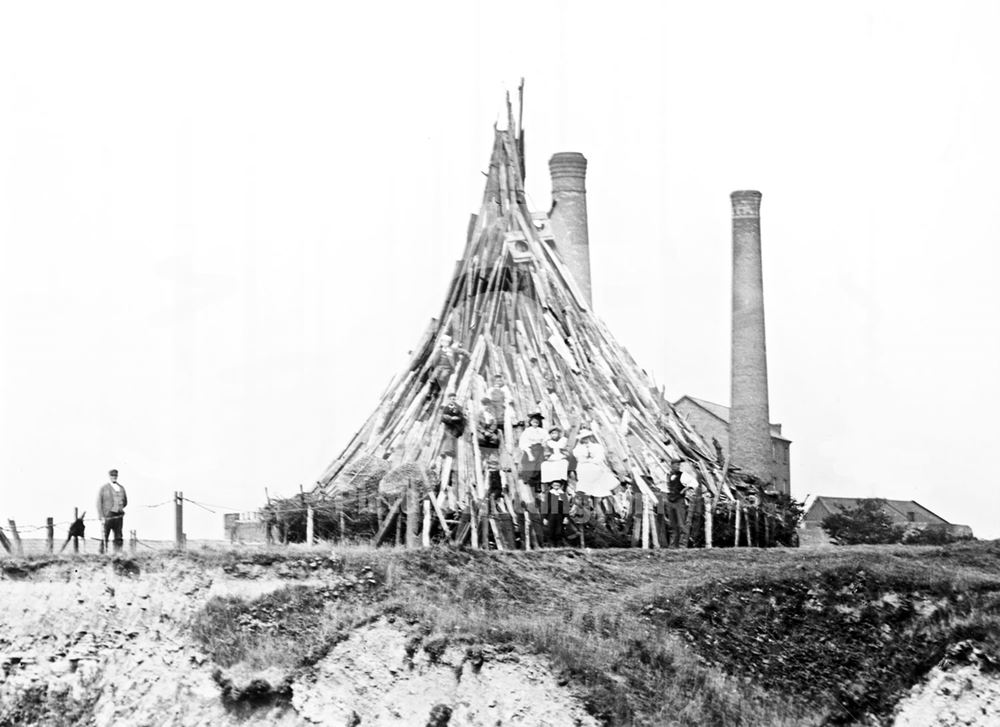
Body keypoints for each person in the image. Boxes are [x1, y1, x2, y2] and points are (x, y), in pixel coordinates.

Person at [572, 429, 618, 498]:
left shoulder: (596, 446)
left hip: (595, 466)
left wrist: (591, 460)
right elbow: (580, 459)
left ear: (590, 437)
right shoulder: (578, 448)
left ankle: (603, 494)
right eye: (584, 438)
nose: (585, 439)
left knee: (600, 476)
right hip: (584, 468)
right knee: (584, 478)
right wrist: (586, 460)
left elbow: (599, 458)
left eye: (587, 437)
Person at [97, 469, 128, 553]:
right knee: (105, 535)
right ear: (109, 476)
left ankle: (118, 554)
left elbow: (125, 501)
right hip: (108, 515)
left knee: (118, 535)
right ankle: (102, 554)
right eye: (112, 476)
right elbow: (99, 503)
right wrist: (101, 516)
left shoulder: (121, 488)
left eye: (115, 476)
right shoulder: (104, 488)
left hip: (118, 515)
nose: (114, 477)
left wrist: (119, 507)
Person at [517, 411, 547, 492]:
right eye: (534, 422)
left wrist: (544, 448)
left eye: (537, 422)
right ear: (530, 422)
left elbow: (545, 440)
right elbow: (523, 443)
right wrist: (529, 453)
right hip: (531, 450)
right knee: (529, 466)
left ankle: (538, 484)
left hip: (540, 450)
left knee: (539, 467)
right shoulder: (527, 431)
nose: (535, 424)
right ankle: (529, 481)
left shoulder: (542, 431)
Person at [665, 460, 688, 548]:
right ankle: (673, 545)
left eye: (679, 465)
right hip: (670, 500)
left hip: (679, 501)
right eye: (676, 465)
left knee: (681, 524)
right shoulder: (668, 475)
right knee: (672, 524)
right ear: (672, 465)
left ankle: (682, 545)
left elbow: (694, 483)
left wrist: (684, 490)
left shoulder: (683, 475)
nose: (678, 467)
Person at [440, 392, 466, 459]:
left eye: (454, 399)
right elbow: (442, 417)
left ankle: (445, 451)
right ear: (449, 399)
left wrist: (456, 418)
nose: (452, 400)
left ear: (455, 399)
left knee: (452, 436)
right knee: (448, 435)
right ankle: (448, 450)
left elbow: (461, 417)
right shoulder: (446, 408)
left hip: (456, 426)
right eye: (451, 399)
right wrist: (448, 418)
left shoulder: (459, 407)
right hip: (448, 425)